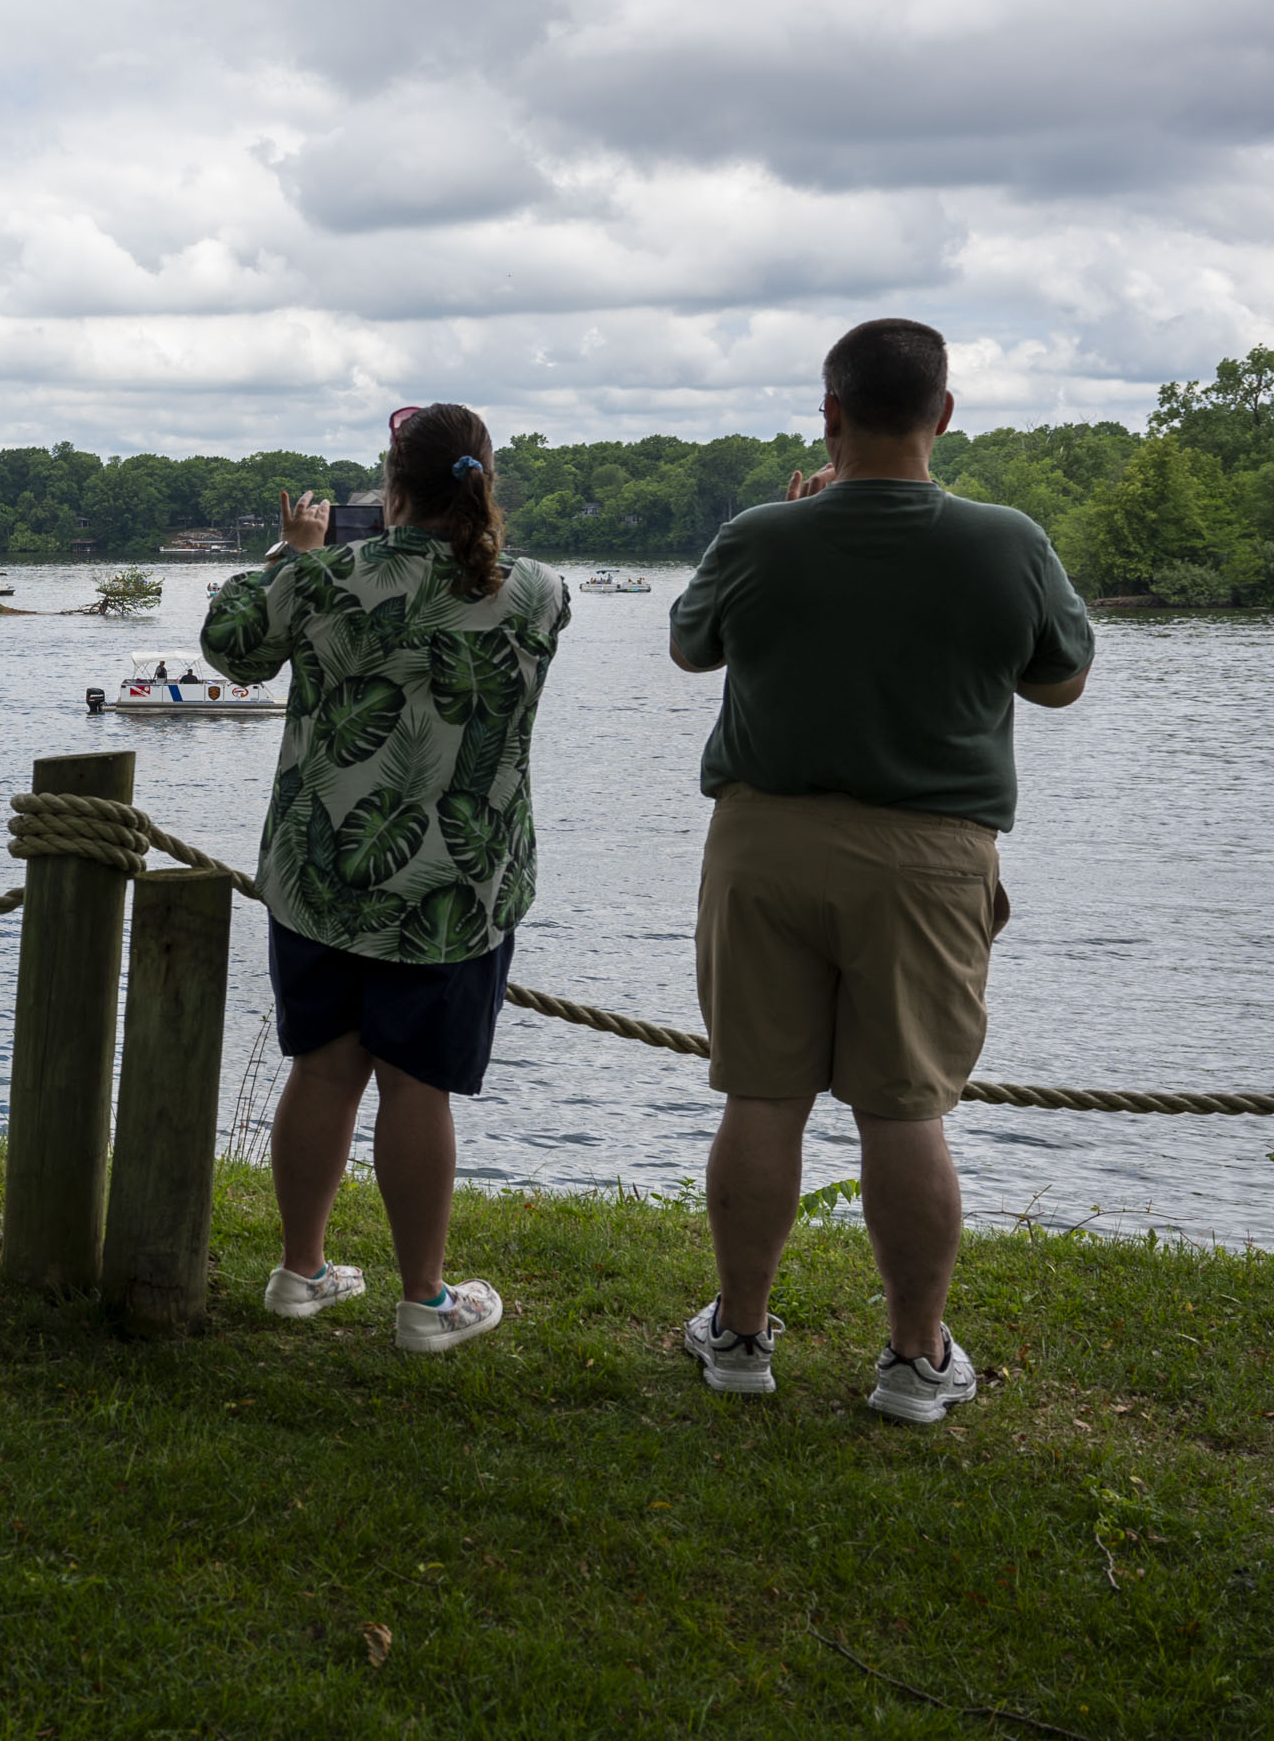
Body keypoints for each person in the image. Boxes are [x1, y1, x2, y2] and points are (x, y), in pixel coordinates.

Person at [669, 318, 1092, 1423]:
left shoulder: (762, 534)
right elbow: (1061, 680)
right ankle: (912, 1359)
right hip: (931, 855)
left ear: (831, 415)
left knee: (760, 1092)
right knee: (905, 1107)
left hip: (763, 841)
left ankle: (741, 1334)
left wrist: (801, 525)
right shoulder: (1007, 541)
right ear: (944, 415)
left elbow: (690, 645)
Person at [202, 405, 570, 1355]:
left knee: (323, 1069)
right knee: (417, 1089)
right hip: (455, 887)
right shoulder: (537, 591)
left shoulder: (323, 579)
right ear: (482, 480)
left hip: (324, 871)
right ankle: (423, 1301)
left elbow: (230, 646)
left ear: (391, 486)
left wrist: (291, 553)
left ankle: (302, 1272)